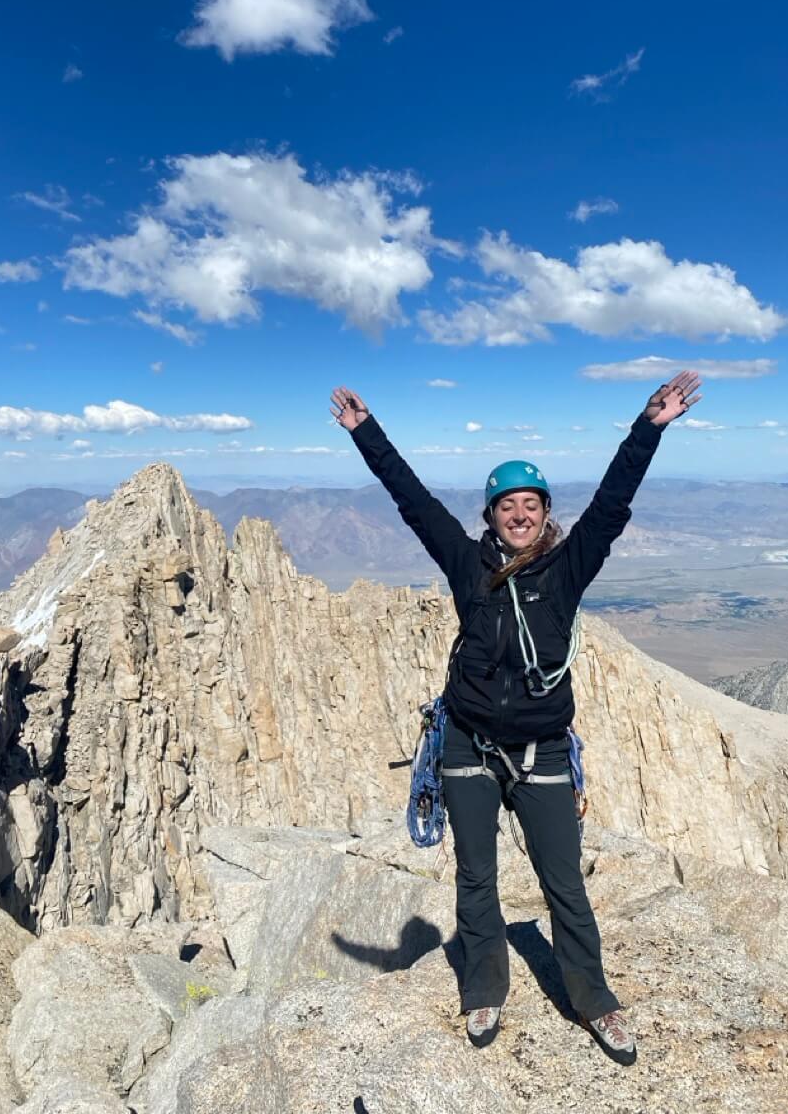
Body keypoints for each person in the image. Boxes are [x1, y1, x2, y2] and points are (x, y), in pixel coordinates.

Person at [330, 371, 702, 1062]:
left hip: (541, 750)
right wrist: (367, 433)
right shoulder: (465, 563)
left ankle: (595, 1001)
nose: (520, 515)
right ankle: (483, 989)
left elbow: (614, 502)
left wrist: (648, 427)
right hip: (468, 743)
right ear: (490, 515)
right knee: (476, 878)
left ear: (545, 513)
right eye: (509, 505)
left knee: (564, 882)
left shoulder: (567, 568)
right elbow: (412, 501)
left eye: (531, 505)